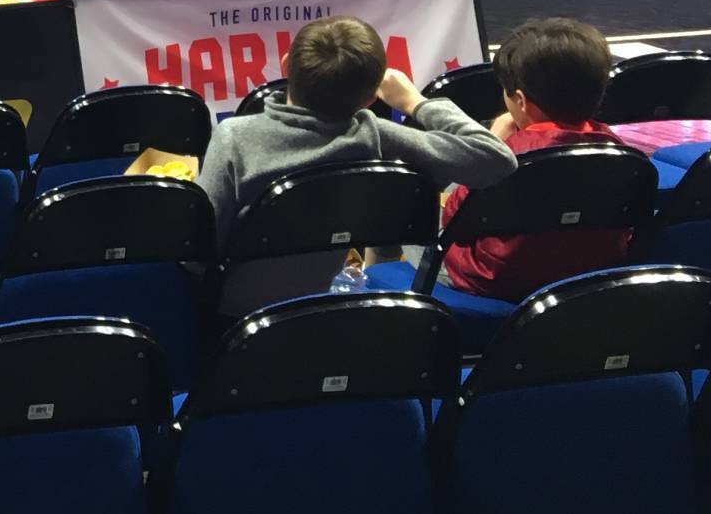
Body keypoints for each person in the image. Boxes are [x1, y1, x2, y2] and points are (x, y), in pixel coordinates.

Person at [195, 17, 516, 301]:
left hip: (234, 316)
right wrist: (416, 102)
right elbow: (497, 160)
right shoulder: (375, 135)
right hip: (318, 302)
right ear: (371, 96)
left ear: (284, 65)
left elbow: (198, 252)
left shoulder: (234, 137)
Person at [438, 18, 630, 301]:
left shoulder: (508, 158)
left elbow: (454, 216)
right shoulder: (619, 151)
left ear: (521, 100)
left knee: (413, 217)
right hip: (594, 272)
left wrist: (491, 144)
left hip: (497, 279)